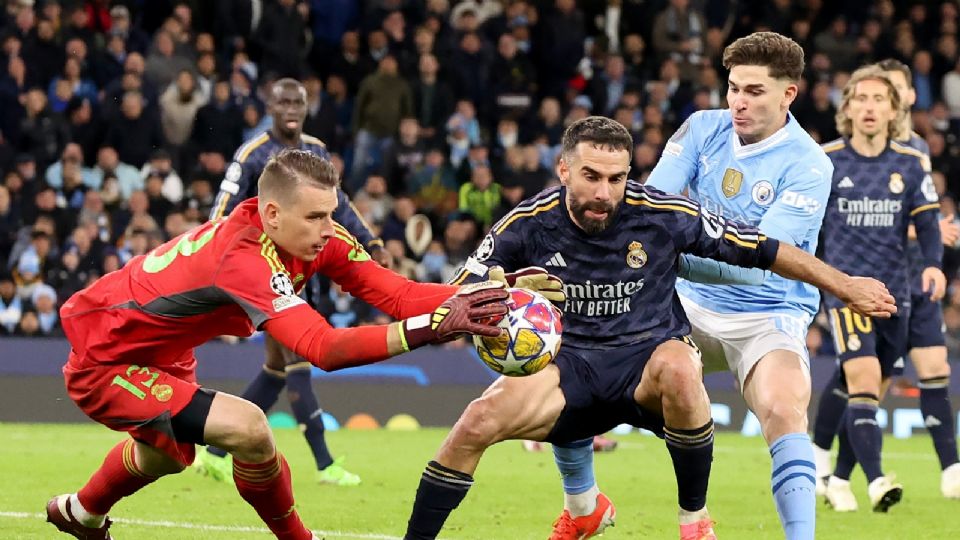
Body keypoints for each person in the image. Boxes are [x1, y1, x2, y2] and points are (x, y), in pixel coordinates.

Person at [401, 116, 896, 540]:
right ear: (563, 169)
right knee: (475, 422)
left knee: (681, 366)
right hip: (569, 369)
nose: (604, 193)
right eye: (591, 176)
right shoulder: (528, 222)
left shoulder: (661, 213)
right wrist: (505, 291)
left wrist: (844, 284)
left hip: (646, 364)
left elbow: (762, 247)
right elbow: (459, 294)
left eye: (616, 179)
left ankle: (694, 518)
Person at [45, 149, 509, 540]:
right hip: (107, 357)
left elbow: (398, 293)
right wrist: (436, 326)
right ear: (272, 214)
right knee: (249, 429)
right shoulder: (244, 260)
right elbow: (322, 348)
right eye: (315, 217)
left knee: (167, 455)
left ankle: (81, 514)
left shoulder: (313, 235)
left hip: (163, 353)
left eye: (331, 213)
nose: (329, 229)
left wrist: (498, 294)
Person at [560, 32, 832, 540]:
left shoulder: (809, 166)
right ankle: (582, 506)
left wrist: (670, 261)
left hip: (765, 307)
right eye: (732, 88)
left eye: (753, 91)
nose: (738, 103)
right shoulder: (702, 128)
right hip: (684, 303)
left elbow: (760, 262)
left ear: (788, 94)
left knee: (783, 405)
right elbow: (652, 207)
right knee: (578, 360)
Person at [198, 78, 390, 486]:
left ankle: (214, 453)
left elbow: (340, 209)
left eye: (298, 102)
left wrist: (370, 242)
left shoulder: (316, 151)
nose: (290, 108)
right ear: (269, 104)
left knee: (276, 370)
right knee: (297, 361)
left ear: (307, 108)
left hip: (306, 275)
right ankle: (325, 464)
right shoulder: (252, 154)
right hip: (263, 279)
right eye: (283, 100)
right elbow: (220, 213)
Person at [811, 58, 960, 501]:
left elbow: (929, 223)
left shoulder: (912, 163)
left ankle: (836, 477)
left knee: (872, 386)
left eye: (880, 99)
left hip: (898, 295)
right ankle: (877, 482)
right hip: (847, 293)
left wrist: (933, 263)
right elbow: (806, 226)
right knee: (860, 377)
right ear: (848, 109)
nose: (871, 107)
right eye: (862, 99)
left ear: (894, 109)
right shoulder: (825, 162)